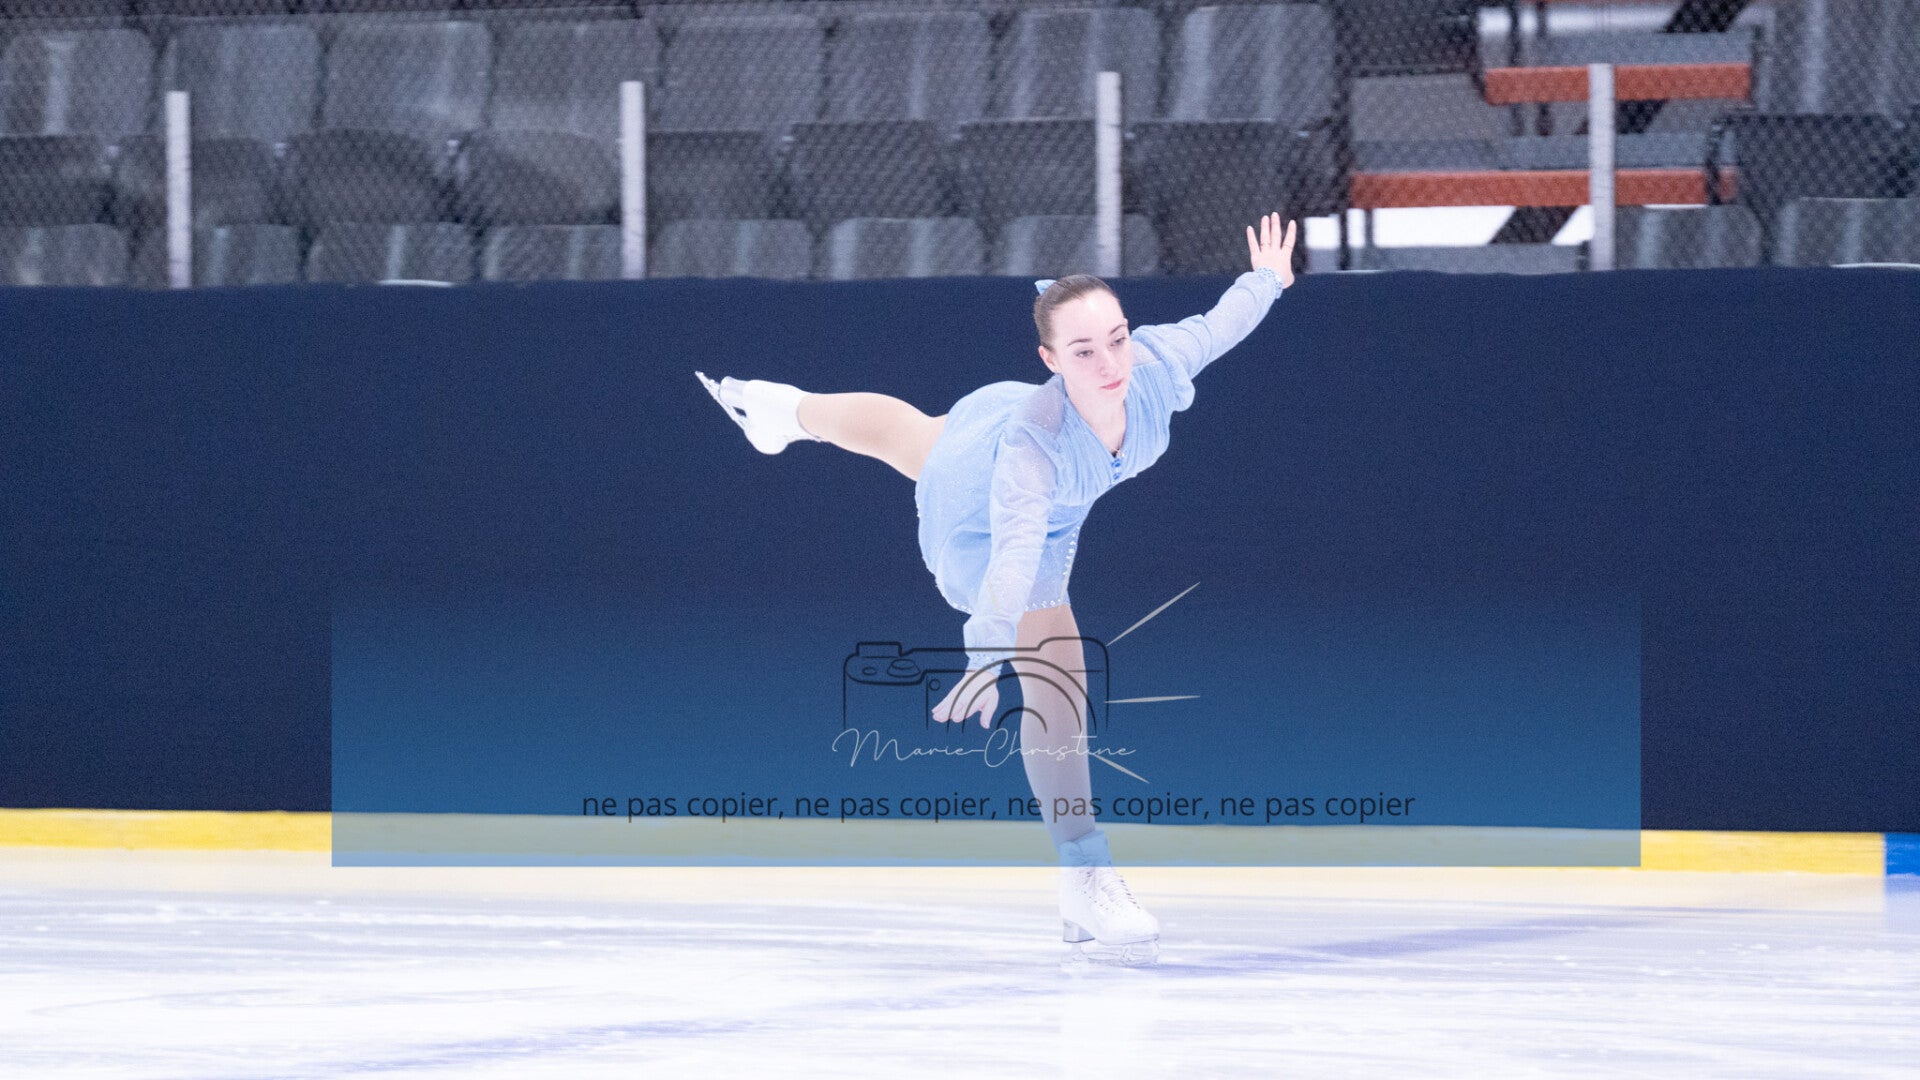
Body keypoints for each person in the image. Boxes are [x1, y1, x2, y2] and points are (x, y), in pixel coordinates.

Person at [697, 214, 1298, 965]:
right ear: (1051, 359)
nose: (1110, 362)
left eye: (1117, 339)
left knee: (912, 434)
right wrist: (986, 654)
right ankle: (1084, 872)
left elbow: (1218, 326)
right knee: (1057, 662)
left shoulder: (1152, 364)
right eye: (1083, 351)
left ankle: (782, 409)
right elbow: (1014, 558)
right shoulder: (1033, 446)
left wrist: (1267, 279)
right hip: (985, 511)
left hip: (1023, 472)